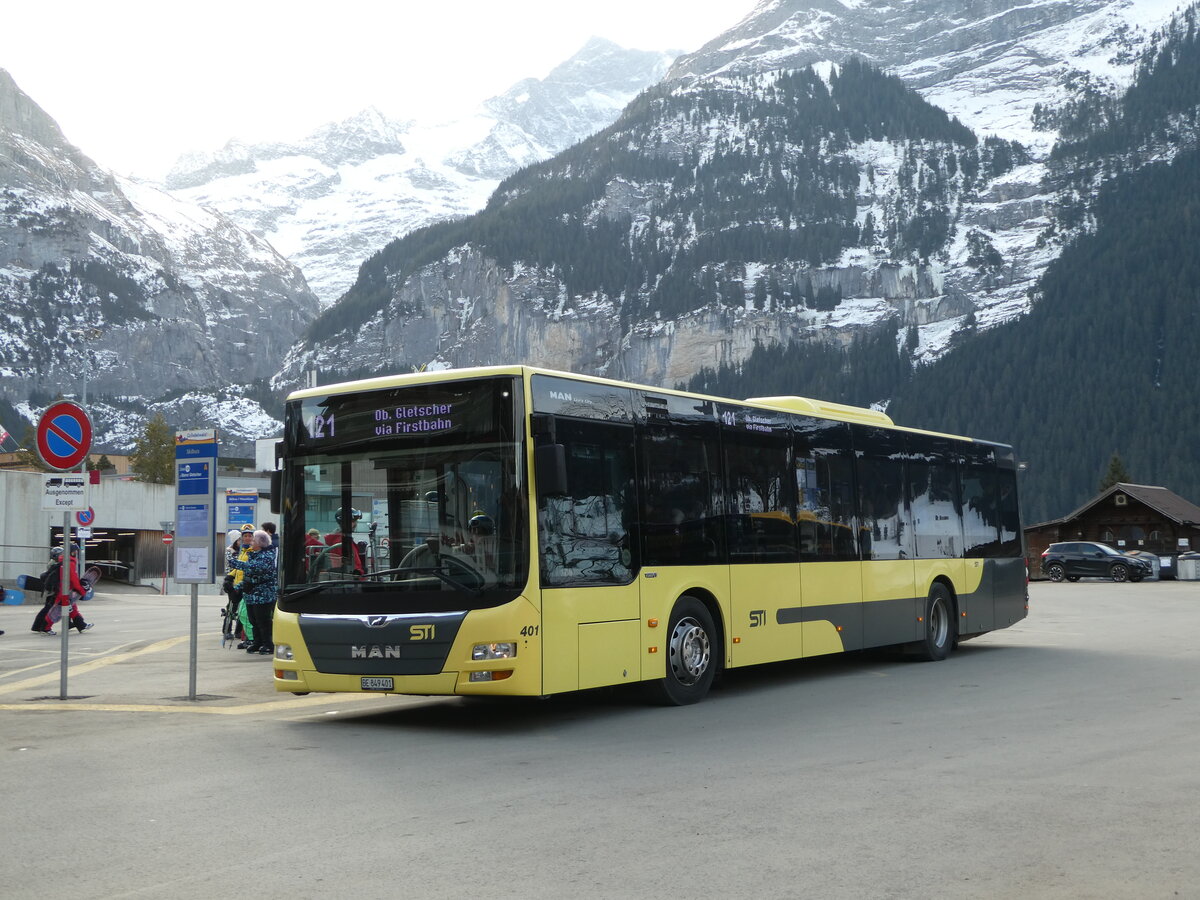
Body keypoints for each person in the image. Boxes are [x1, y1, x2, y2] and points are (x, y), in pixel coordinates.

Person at [227, 529, 278, 654]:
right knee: (253, 620)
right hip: (251, 595)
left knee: (263, 620)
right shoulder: (254, 554)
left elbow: (254, 568)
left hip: (263, 595)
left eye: (254, 540)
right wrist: (236, 588)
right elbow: (249, 577)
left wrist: (232, 560)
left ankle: (268, 644)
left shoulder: (268, 556)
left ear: (261, 543)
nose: (251, 542)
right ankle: (257, 642)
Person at [31, 546, 92, 634]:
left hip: (61, 590)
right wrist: (81, 591)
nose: (76, 553)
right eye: (75, 551)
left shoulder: (63, 562)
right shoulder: (69, 563)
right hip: (63, 591)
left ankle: (81, 625)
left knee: (70, 608)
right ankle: (45, 627)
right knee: (56, 610)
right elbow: (73, 579)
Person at [227, 525, 256, 648]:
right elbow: (238, 568)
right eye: (245, 536)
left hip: (248, 586)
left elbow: (248, 568)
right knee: (240, 613)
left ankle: (252, 639)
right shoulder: (242, 550)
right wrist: (229, 577)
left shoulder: (253, 550)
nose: (247, 538)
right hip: (238, 586)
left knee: (246, 614)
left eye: (250, 536)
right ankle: (249, 638)